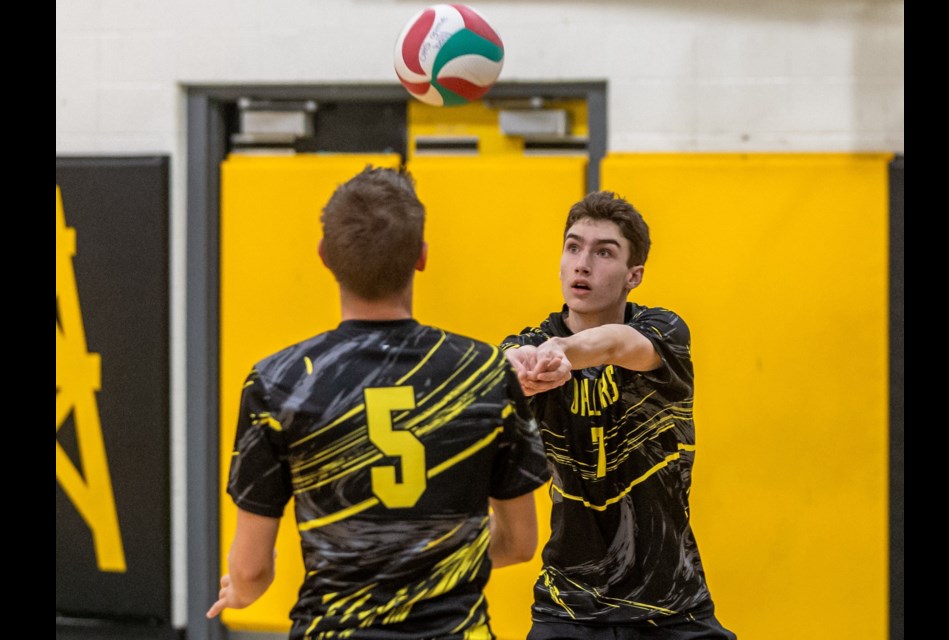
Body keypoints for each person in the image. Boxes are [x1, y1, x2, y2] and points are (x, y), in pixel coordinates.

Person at [207, 166, 551, 639]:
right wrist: (429, 561)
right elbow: (519, 542)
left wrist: (241, 594)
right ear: (422, 257)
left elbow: (249, 571)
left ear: (325, 257)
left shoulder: (277, 382)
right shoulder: (486, 372)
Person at [501, 191, 735, 639]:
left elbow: (616, 344)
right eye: (573, 247)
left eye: (603, 251)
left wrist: (563, 352)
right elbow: (507, 362)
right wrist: (520, 367)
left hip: (671, 608)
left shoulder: (663, 331)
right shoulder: (530, 344)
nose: (582, 263)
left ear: (634, 275)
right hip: (568, 609)